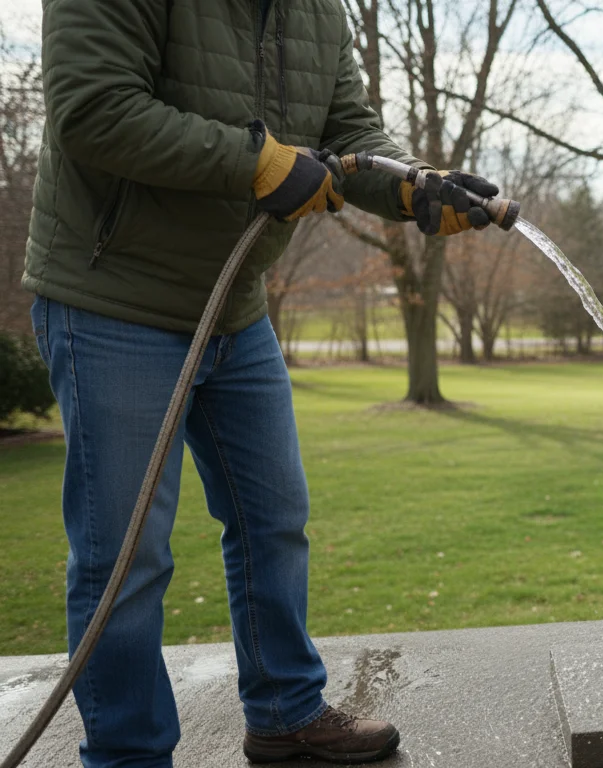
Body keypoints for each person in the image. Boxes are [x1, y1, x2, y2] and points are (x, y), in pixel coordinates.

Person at [21, 0, 499, 764]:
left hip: (235, 309)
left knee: (273, 519)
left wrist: (413, 186)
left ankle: (284, 713)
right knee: (126, 558)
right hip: (114, 299)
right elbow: (93, 108)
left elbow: (347, 135)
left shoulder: (316, 9)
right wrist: (258, 163)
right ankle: (129, 754)